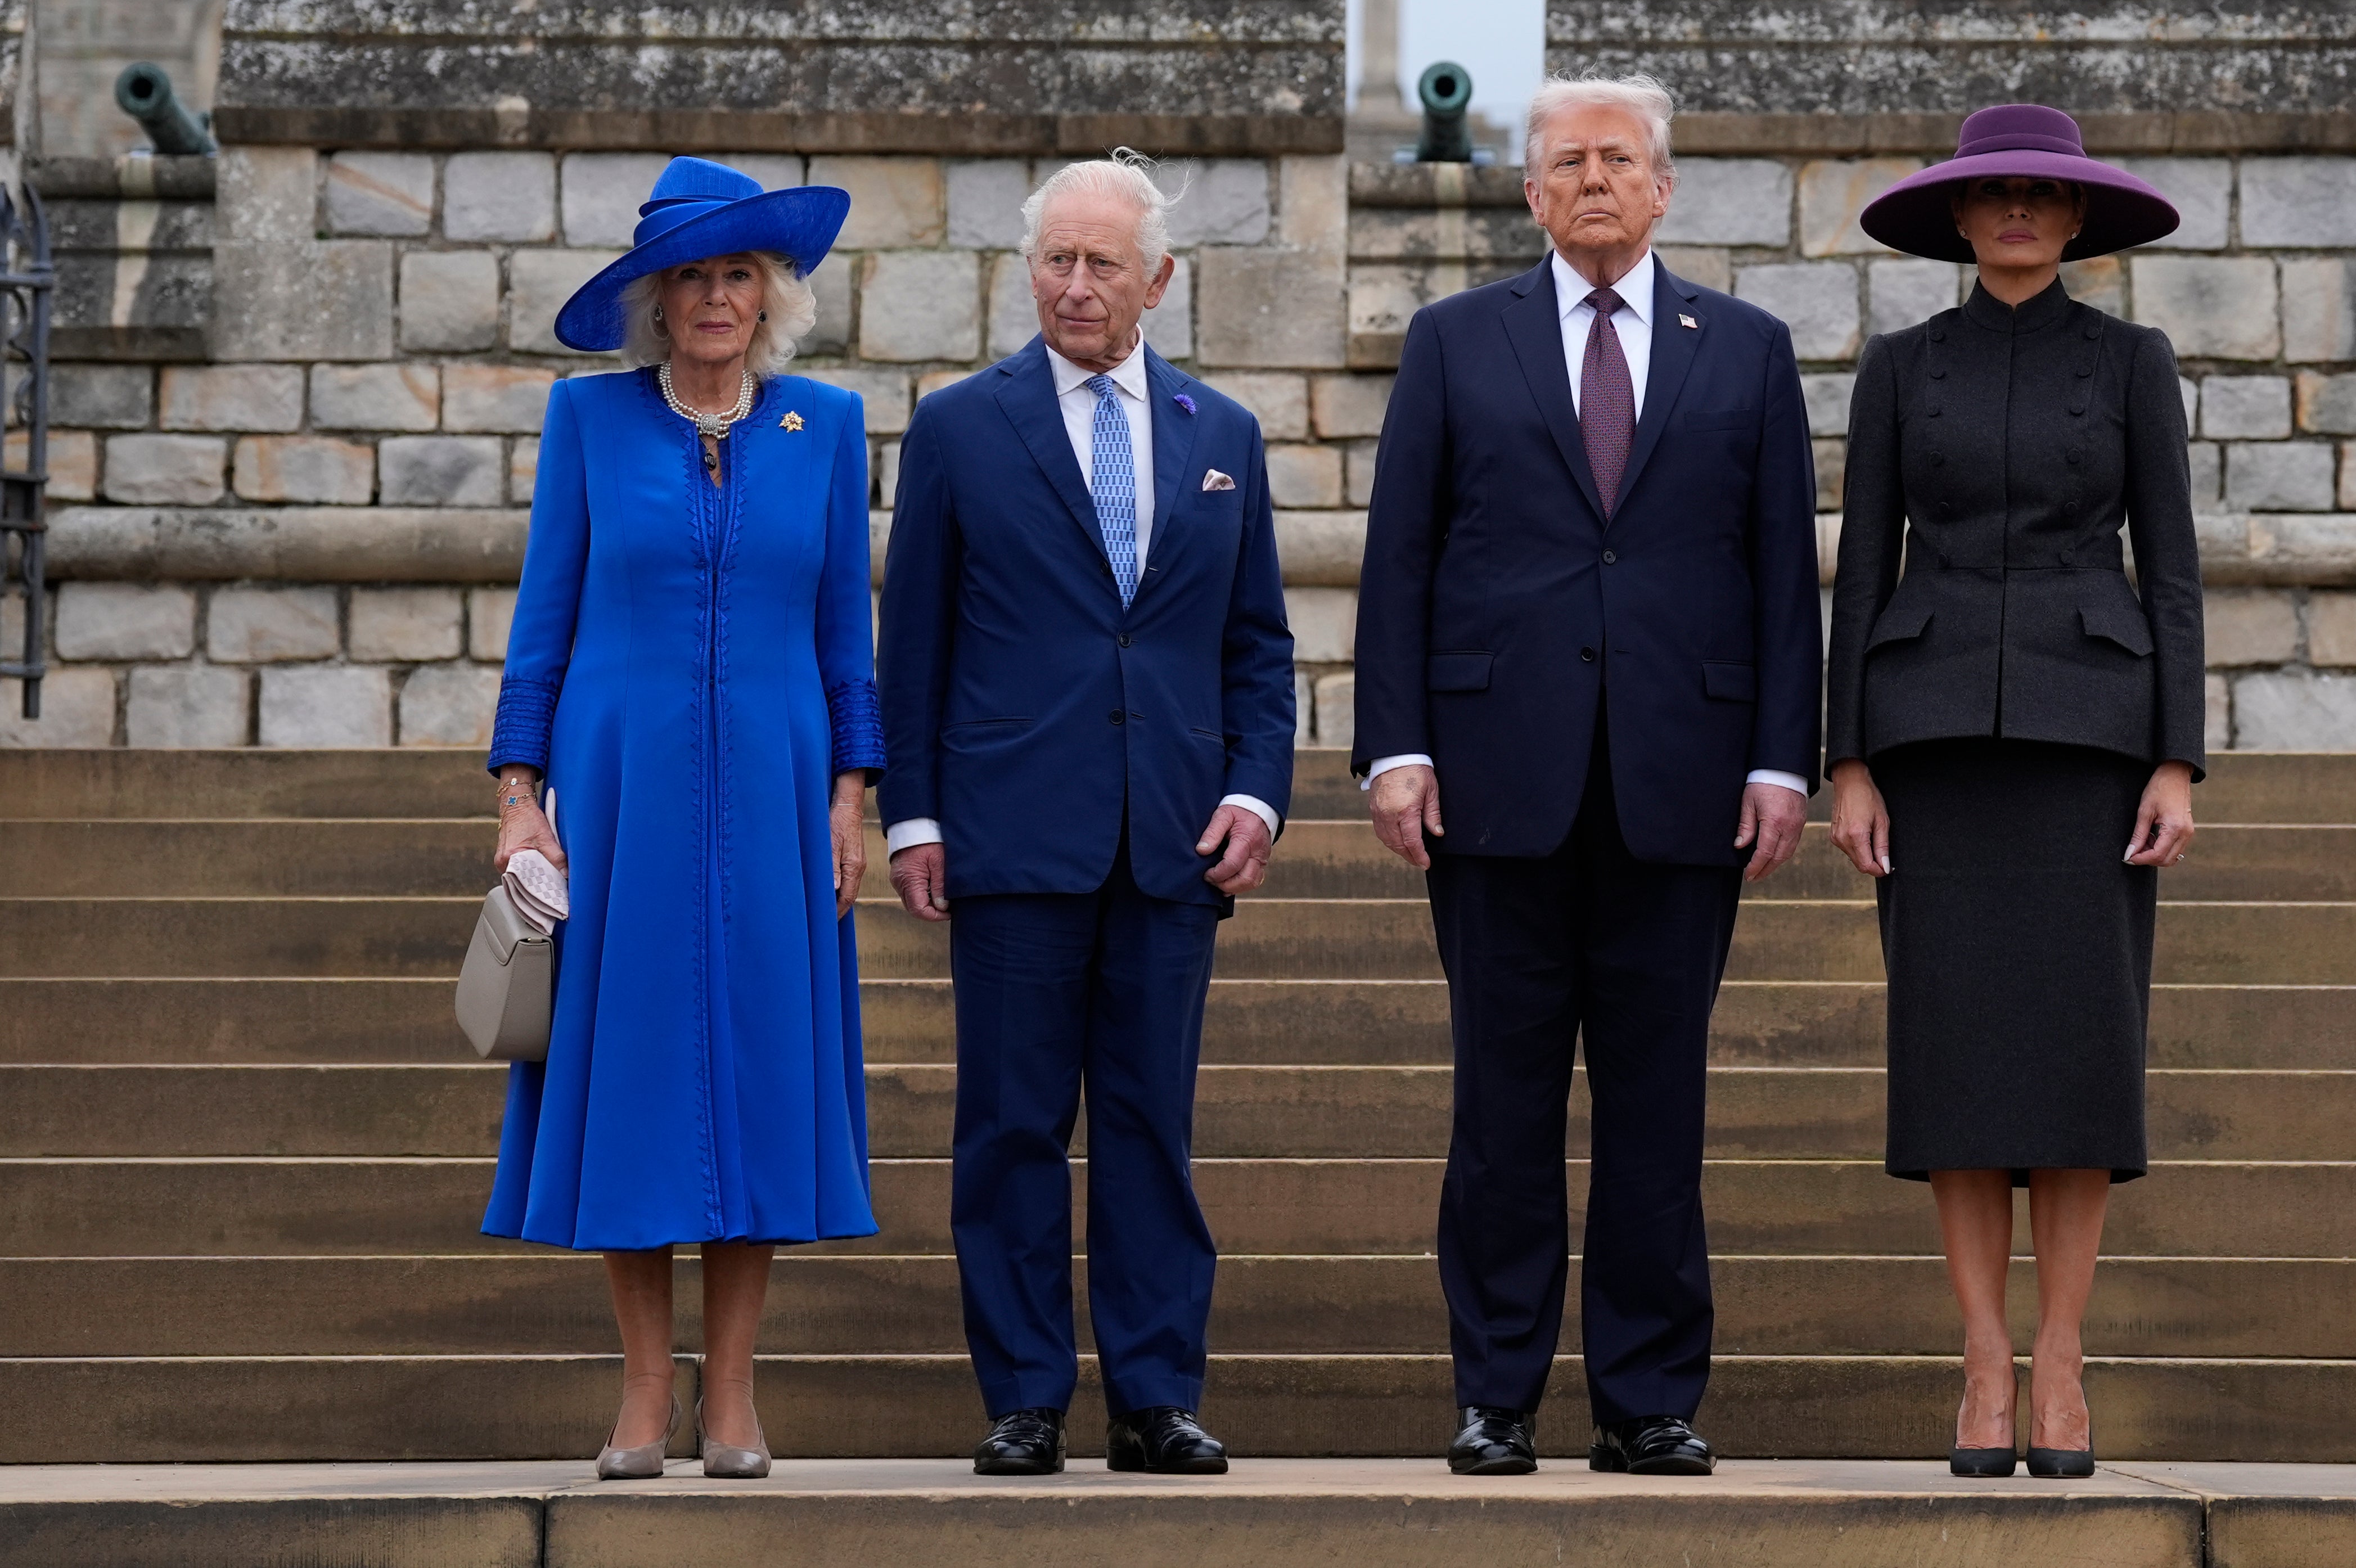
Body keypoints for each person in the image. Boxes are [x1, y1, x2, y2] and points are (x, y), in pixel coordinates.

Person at [1353, 73, 1821, 1478]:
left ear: (1663, 187)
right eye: (1567, 161)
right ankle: (1495, 1393)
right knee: (1499, 1110)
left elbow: (1780, 571)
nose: (1595, 180)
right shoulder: (1454, 339)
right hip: (1496, 781)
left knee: (1657, 1111)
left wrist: (1781, 758)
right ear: (1529, 192)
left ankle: (1647, 1397)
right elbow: (1402, 554)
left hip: (1683, 781)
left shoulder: (1747, 348)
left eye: (1619, 158)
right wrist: (1396, 745)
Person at [876, 151, 1296, 1479]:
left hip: (1174, 834)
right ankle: (1023, 1397)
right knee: (1010, 1126)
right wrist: (911, 814)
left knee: (1149, 1128)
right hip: (1010, 831)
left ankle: (1156, 1394)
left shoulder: (1223, 434)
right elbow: (913, 640)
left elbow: (1257, 642)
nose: (1073, 283)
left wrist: (1255, 787)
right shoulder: (959, 426)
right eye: (1054, 258)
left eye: (1100, 262)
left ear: (1155, 281)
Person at [1823, 102, 2204, 1479]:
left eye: (2045, 193)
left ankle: (2061, 1359)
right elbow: (1861, 566)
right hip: (1929, 743)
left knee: (2078, 1060)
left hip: (2090, 741)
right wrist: (1847, 760)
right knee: (1958, 1062)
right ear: (1960, 216)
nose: (2020, 212)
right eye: (1995, 194)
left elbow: (2171, 567)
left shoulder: (2131, 362)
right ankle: (1983, 1359)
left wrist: (2176, 756)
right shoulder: (1900, 365)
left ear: (2079, 215)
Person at [484, 155, 877, 1483]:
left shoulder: (826, 425)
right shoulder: (588, 420)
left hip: (778, 786)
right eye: (692, 276)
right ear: (655, 300)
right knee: (636, 1071)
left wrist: (852, 790)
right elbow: (544, 616)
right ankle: (646, 1391)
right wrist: (519, 795)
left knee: (761, 1070)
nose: (716, 296)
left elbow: (845, 632)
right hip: (619, 785)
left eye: (739, 274)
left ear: (771, 297)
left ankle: (736, 1398)